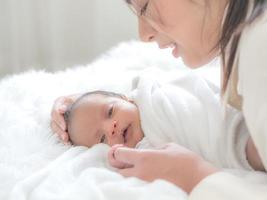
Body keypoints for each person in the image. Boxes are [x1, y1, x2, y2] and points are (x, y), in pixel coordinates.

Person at [51, 0, 267, 198]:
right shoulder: (246, 39)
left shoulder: (259, 43)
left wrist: (194, 175)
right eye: (101, 139)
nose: (143, 35)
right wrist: (81, 110)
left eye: (144, 7)